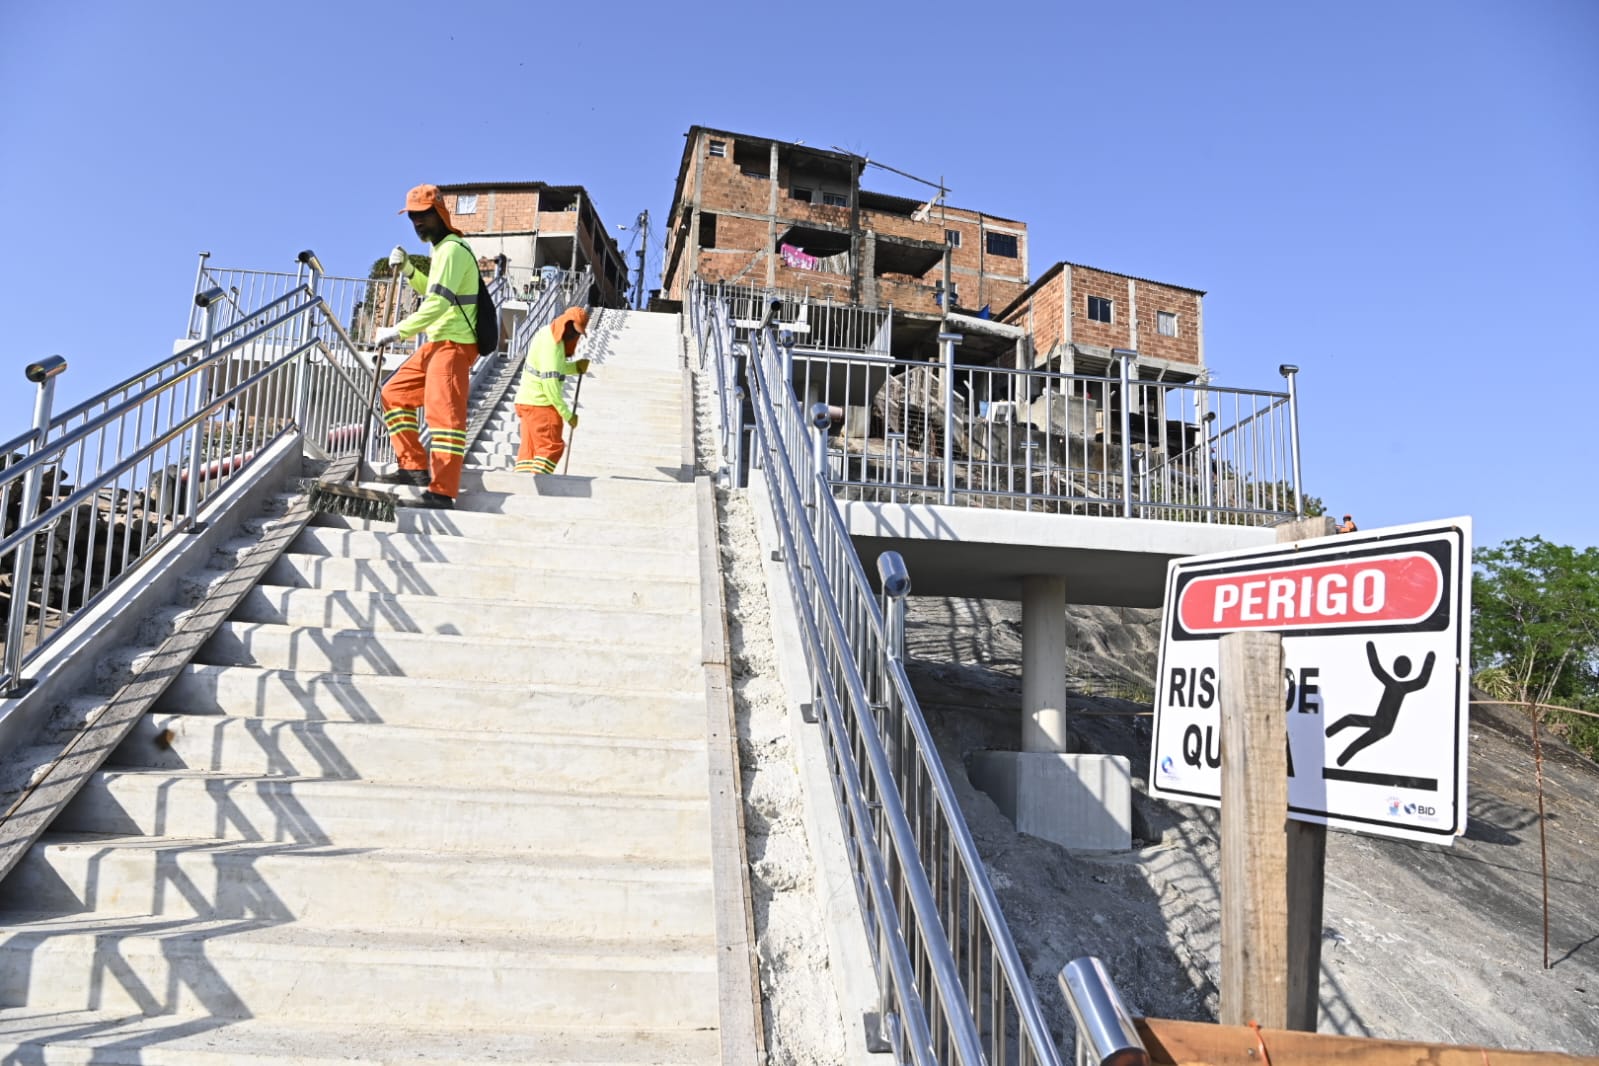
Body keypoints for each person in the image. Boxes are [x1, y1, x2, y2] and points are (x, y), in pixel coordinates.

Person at [372, 185, 482, 510]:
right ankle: (413, 467)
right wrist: (409, 270)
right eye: (412, 217)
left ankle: (443, 492)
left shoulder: (452, 250)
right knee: (394, 393)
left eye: (423, 215)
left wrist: (398, 331)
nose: (417, 222)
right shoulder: (441, 251)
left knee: (443, 415)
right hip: (438, 342)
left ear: (440, 213)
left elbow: (437, 303)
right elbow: (434, 291)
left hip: (455, 344)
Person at [513, 306, 590, 474]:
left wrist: (575, 367)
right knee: (551, 447)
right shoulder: (553, 345)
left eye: (577, 333)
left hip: (527, 402)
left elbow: (554, 367)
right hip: (541, 405)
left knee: (529, 453)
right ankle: (541, 482)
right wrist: (567, 415)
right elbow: (550, 384)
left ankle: (522, 484)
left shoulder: (547, 334)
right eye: (573, 330)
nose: (574, 335)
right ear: (566, 323)